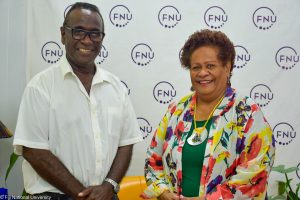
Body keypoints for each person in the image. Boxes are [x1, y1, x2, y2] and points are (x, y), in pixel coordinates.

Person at [13, 2, 143, 200]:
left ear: (102, 38)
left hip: (105, 195)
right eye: (78, 31)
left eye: (95, 33)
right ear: (63, 34)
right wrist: (82, 194)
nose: (87, 40)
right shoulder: (40, 87)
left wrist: (109, 185)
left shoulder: (116, 87)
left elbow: (125, 143)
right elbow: (33, 150)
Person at [141, 29, 275, 200]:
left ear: (227, 67)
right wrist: (163, 193)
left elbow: (255, 174)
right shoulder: (177, 109)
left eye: (210, 66)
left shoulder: (247, 112)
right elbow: (153, 160)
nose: (202, 73)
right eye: (196, 67)